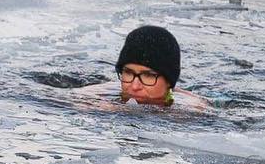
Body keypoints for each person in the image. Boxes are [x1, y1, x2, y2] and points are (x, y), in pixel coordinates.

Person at [72, 24, 210, 112]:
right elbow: (78, 97)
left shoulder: (187, 110)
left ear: (169, 81)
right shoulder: (101, 94)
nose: (135, 86)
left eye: (148, 75)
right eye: (128, 73)